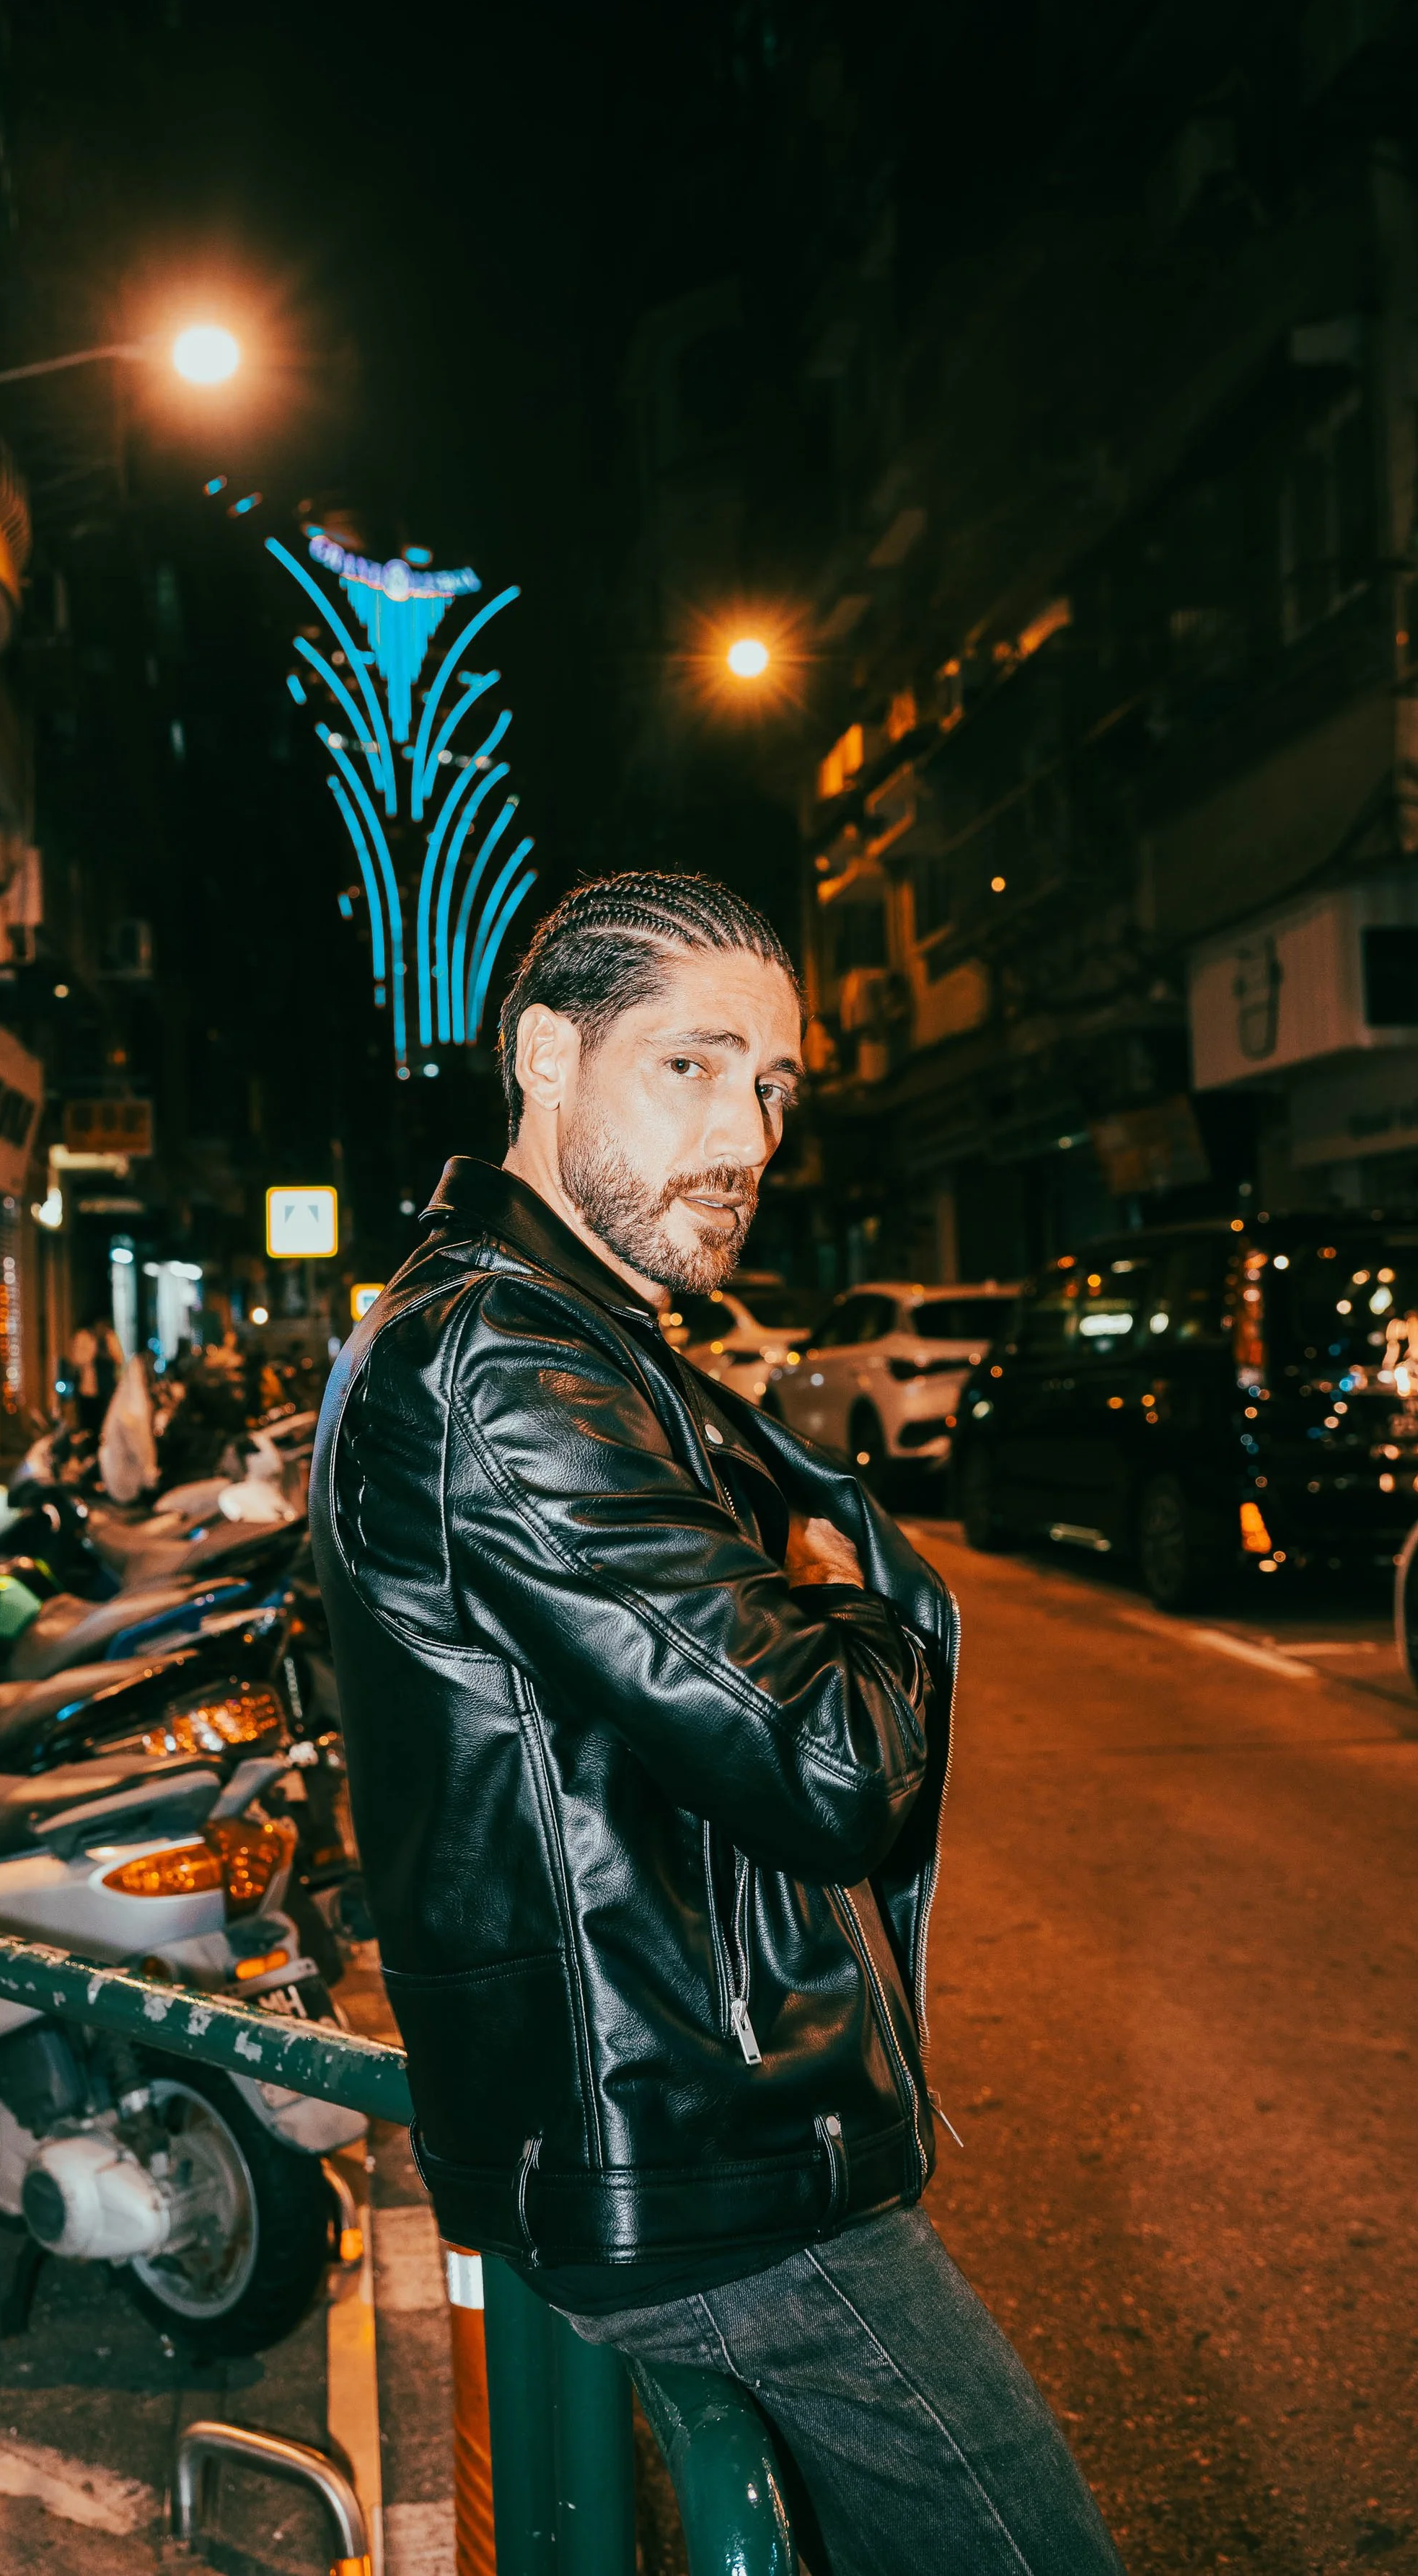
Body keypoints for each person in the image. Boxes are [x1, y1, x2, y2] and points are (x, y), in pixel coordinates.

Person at [311, 873, 1122, 2575]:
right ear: (546, 1056)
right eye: (688, 1066)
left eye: (771, 1088)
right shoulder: (504, 1362)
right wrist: (847, 1595)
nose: (745, 1136)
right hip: (694, 2166)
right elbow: (830, 1766)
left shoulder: (565, 1329)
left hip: (677, 2127)